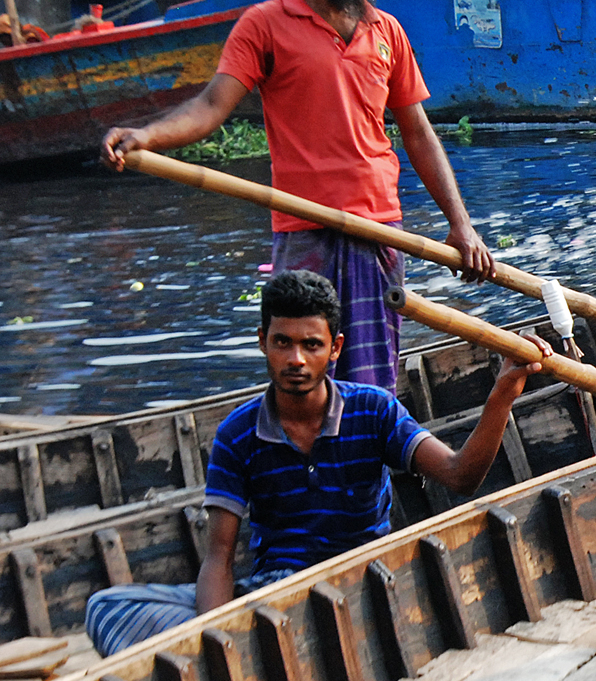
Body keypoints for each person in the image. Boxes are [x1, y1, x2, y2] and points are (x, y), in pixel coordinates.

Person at [101, 0, 497, 390]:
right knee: (302, 381)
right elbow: (209, 107)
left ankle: (374, 469)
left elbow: (417, 133)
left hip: (379, 231)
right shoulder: (264, 26)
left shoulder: (386, 31)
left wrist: (461, 225)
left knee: (372, 384)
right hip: (303, 229)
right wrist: (147, 136)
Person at [82, 271, 551, 658]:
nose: (296, 359)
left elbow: (459, 475)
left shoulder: (373, 409)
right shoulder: (238, 433)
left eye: (311, 345)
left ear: (336, 348)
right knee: (108, 606)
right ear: (262, 341)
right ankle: (240, 652)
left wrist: (501, 395)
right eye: (282, 343)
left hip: (367, 584)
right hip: (278, 594)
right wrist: (217, 636)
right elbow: (218, 558)